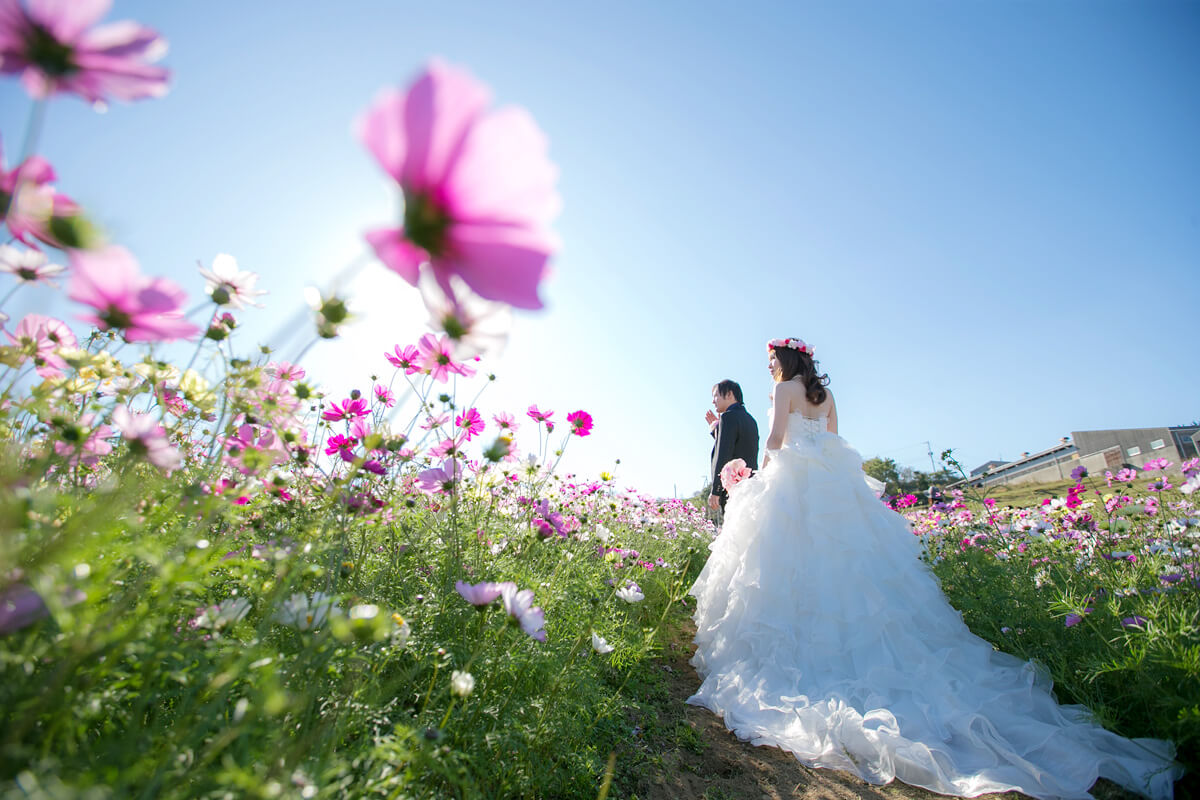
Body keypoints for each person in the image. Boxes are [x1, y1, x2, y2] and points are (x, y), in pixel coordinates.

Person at [687, 337, 1179, 799]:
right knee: (853, 574)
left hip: (795, 484)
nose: (768, 366)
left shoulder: (782, 390)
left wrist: (757, 486)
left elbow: (774, 444)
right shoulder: (824, 394)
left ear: (784, 361)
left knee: (787, 569)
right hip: (835, 489)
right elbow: (835, 443)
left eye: (771, 358)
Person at [706, 379, 759, 513]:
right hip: (750, 486)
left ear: (729, 394)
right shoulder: (751, 420)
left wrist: (716, 490)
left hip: (731, 489)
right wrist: (716, 431)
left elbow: (723, 453)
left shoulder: (727, 417)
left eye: (716, 396)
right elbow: (739, 446)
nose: (713, 401)